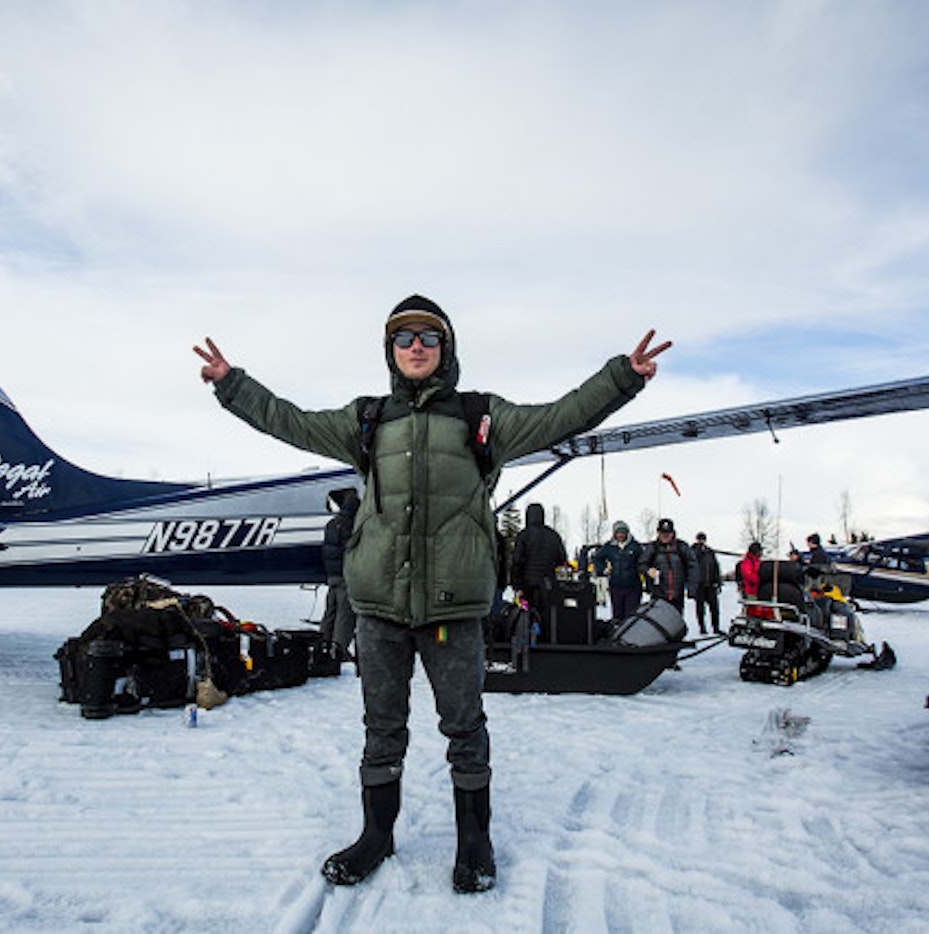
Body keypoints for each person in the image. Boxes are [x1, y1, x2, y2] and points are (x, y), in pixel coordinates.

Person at [194, 294, 670, 894]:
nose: (415, 346)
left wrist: (621, 378)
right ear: (390, 352)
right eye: (403, 338)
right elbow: (289, 420)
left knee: (464, 726)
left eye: (428, 336)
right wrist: (233, 385)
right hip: (380, 608)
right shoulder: (367, 420)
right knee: (381, 728)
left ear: (446, 349)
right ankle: (376, 836)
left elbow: (561, 416)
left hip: (453, 609)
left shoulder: (481, 417)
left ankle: (474, 842)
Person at [510, 502, 567, 632]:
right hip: (548, 583)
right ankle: (547, 638)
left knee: (526, 615)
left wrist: (516, 584)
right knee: (547, 614)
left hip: (527, 583)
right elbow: (562, 559)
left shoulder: (524, 535)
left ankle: (531, 639)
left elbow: (517, 562)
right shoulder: (553, 535)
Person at [320, 487, 361, 666]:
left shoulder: (331, 524)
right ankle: (339, 650)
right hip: (345, 577)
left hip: (332, 576)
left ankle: (322, 643)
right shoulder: (352, 526)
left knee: (330, 613)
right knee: (345, 616)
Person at [591, 520, 644, 622]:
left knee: (631, 616)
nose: (620, 535)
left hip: (633, 587)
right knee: (617, 615)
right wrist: (603, 569)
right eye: (618, 532)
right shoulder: (609, 547)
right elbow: (597, 558)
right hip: (615, 586)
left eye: (623, 532)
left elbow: (644, 561)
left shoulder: (636, 547)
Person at [641, 517, 696, 614]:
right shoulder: (652, 548)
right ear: (658, 533)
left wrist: (691, 587)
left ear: (672, 533)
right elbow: (641, 564)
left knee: (675, 622)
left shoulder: (681, 547)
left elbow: (693, 566)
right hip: (658, 594)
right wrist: (648, 570)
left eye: (668, 533)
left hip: (677, 594)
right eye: (662, 533)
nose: (665, 536)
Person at [690, 531, 723, 635]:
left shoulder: (710, 552)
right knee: (700, 609)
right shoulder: (693, 552)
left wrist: (718, 581)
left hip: (710, 584)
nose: (701, 541)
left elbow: (716, 567)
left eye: (703, 539)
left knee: (714, 608)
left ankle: (716, 628)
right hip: (699, 585)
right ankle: (702, 628)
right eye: (699, 539)